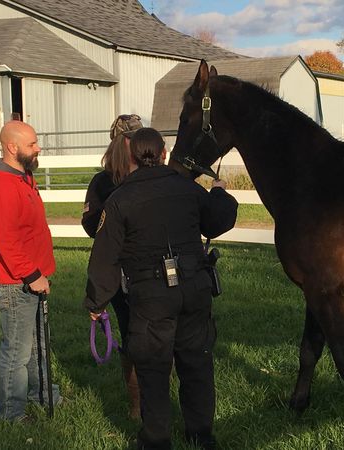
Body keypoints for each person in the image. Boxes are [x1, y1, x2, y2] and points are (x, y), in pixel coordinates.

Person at [84, 127, 238, 450]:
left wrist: (96, 303)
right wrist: (220, 192)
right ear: (164, 153)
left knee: (153, 370)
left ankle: (155, 440)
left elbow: (105, 258)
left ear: (131, 157)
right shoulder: (186, 188)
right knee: (197, 362)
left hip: (150, 297)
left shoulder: (119, 200)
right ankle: (201, 435)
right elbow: (219, 220)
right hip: (195, 289)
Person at [0, 120, 61, 422]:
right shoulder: (2, 185)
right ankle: (10, 413)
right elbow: (5, 238)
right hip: (16, 283)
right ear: (12, 147)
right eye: (32, 144)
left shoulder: (22, 177)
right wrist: (31, 275)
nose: (38, 148)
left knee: (38, 344)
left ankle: (42, 393)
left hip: (33, 277)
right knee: (17, 350)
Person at [82, 113, 143, 419]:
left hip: (148, 267)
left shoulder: (152, 174)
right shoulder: (103, 182)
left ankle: (153, 399)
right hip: (121, 272)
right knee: (132, 335)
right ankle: (136, 406)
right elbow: (90, 224)